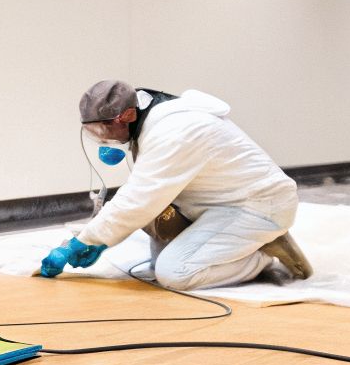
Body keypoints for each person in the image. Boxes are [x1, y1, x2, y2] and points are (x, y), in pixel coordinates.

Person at [37, 80, 313, 290]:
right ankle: (240, 247)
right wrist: (91, 237)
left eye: (103, 131)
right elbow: (142, 198)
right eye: (93, 132)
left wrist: (83, 242)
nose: (102, 139)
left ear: (128, 116)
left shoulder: (175, 131)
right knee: (157, 264)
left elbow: (138, 199)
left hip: (257, 206)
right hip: (216, 204)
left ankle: (260, 254)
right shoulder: (153, 121)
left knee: (175, 273)